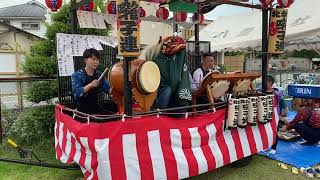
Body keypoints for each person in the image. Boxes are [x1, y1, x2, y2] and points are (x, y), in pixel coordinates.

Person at [71, 48, 110, 114]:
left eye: (97, 59)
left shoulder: (99, 74)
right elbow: (77, 93)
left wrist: (115, 88)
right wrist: (90, 85)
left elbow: (107, 89)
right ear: (85, 60)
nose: (96, 62)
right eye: (93, 59)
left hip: (96, 108)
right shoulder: (77, 75)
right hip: (82, 111)